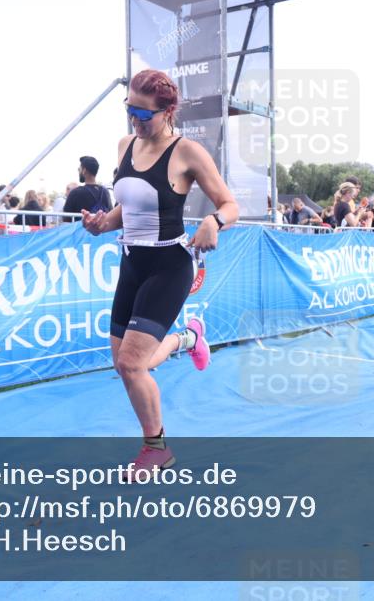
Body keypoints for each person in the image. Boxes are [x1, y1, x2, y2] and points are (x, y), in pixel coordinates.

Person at [80, 69, 238, 478]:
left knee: (134, 365)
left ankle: (156, 449)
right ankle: (188, 338)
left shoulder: (187, 152)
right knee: (124, 363)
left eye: (142, 112)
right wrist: (102, 223)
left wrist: (213, 223)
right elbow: (127, 210)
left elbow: (228, 204)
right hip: (132, 264)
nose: (134, 117)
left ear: (167, 111)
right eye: (128, 108)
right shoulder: (124, 145)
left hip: (170, 265)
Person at [64, 156, 112, 221]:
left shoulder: (75, 193)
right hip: (102, 230)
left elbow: (66, 218)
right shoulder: (105, 192)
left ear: (84, 170)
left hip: (81, 230)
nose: (79, 171)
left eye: (79, 169)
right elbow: (110, 213)